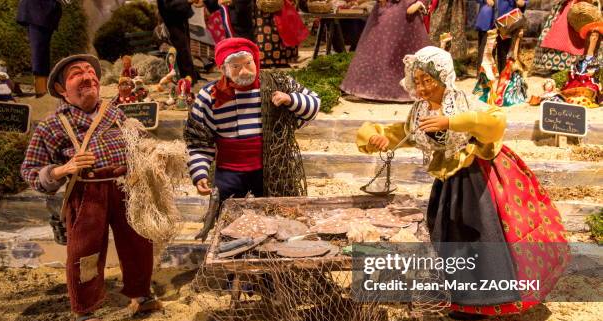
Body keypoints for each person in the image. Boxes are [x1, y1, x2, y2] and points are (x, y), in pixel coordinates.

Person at [356, 47, 569, 318]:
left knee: (479, 231)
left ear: (443, 77)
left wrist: (451, 121)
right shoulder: (420, 109)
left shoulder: (463, 101)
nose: (421, 87)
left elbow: (494, 122)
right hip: (448, 180)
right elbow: (406, 132)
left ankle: (488, 298)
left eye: (427, 80)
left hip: (479, 175)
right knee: (449, 233)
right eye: (417, 81)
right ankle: (459, 298)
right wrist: (381, 137)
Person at [20, 54, 161, 321]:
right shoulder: (52, 125)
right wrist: (62, 170)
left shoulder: (116, 113)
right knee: (85, 251)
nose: (87, 77)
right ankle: (85, 308)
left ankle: (140, 294)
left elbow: (135, 144)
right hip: (87, 193)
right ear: (62, 89)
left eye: (90, 72)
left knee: (138, 242)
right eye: (76, 74)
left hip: (126, 187)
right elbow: (30, 171)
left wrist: (148, 156)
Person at [184, 38, 320, 201]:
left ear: (255, 60)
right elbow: (198, 140)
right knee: (228, 214)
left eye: (248, 63)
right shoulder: (209, 96)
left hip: (273, 169)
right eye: (236, 67)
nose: (244, 71)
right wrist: (200, 173)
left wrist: (290, 99)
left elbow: (314, 105)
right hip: (229, 173)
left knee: (274, 213)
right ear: (223, 69)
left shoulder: (275, 84)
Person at [341, 0, 431, 102]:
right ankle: (379, 89)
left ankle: (409, 88)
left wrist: (419, 4)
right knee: (383, 49)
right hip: (391, 12)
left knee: (398, 52)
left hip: (403, 14)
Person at [16, 0, 63, 97]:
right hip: (39, 10)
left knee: (42, 51)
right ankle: (40, 89)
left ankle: (41, 88)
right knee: (39, 51)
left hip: (44, 11)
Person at [475, 0, 527, 72]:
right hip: (488, 20)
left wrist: (522, 3)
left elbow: (522, 3)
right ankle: (484, 79)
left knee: (505, 55)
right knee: (486, 54)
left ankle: (504, 78)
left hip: (507, 21)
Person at [157, 0, 202, 81]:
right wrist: (187, 1)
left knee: (186, 48)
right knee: (182, 49)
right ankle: (186, 78)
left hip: (180, 18)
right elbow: (168, 5)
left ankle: (190, 76)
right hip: (172, 20)